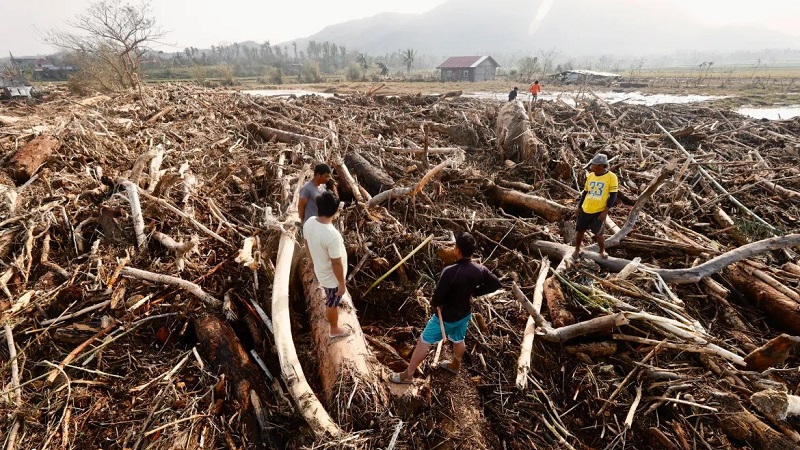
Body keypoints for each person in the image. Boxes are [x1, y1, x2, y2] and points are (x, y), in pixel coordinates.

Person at [390, 232, 501, 384]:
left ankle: (408, 375)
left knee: (424, 340)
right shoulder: (479, 269)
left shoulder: (449, 272)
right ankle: (455, 365)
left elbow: (437, 298)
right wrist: (475, 292)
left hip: (446, 316)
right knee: (458, 338)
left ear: (458, 250)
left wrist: (434, 303)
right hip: (464, 313)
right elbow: (496, 284)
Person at [303, 190, 351, 339]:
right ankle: (334, 329)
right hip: (331, 279)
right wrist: (341, 284)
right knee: (332, 303)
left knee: (332, 299)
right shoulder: (332, 235)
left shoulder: (310, 222)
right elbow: (336, 263)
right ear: (336, 211)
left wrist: (311, 261)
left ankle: (332, 317)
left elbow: (306, 243)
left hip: (321, 269)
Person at [572, 153, 618, 260]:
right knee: (580, 231)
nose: (592, 166)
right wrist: (579, 207)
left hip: (598, 210)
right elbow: (585, 193)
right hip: (586, 208)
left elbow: (613, 196)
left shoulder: (611, 177)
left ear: (601, 166)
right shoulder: (591, 176)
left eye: (594, 165)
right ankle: (577, 249)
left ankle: (602, 250)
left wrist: (605, 211)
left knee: (599, 234)